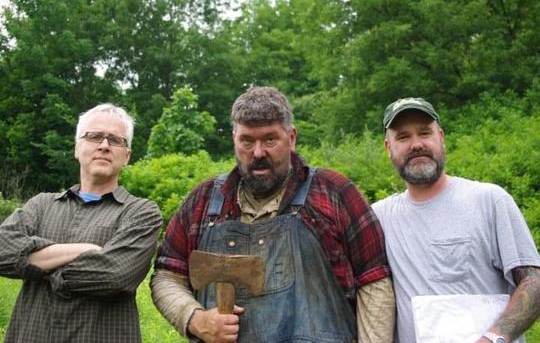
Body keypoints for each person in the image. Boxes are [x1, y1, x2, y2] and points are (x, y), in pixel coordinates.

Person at [151, 86, 395, 343]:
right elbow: (167, 275)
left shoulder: (333, 192)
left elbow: (374, 281)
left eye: (270, 140)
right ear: (234, 138)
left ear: (291, 137)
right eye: (247, 141)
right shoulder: (204, 201)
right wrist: (196, 319)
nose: (258, 153)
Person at [372, 97, 540, 343]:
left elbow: (533, 281)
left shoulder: (489, 201)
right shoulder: (378, 218)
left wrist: (494, 338)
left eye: (425, 133)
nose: (416, 144)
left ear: (441, 136)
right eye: (403, 137)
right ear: (388, 148)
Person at [0, 103, 162, 343]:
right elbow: (2, 253)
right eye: (94, 136)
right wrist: (86, 250)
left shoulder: (141, 213)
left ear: (126, 156)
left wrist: (35, 263)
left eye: (116, 140)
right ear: (77, 147)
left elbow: (113, 276)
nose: (104, 146)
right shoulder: (40, 205)